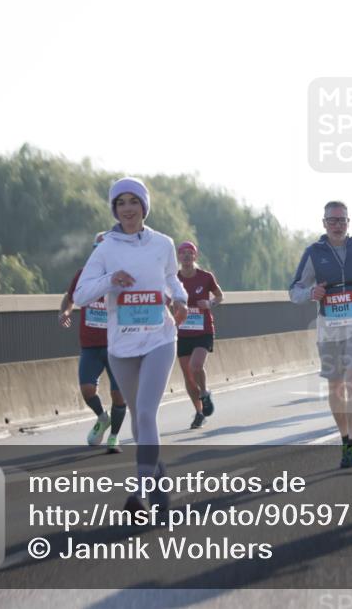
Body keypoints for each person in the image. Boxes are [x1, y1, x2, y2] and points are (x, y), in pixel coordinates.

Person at [74, 177, 189, 516]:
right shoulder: (106, 248)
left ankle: (139, 495)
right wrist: (111, 279)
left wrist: (179, 299)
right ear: (114, 208)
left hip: (159, 338)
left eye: (133, 202)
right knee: (140, 425)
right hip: (121, 345)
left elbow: (171, 278)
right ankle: (157, 478)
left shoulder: (163, 244)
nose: (127, 208)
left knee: (144, 413)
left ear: (144, 207)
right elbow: (81, 294)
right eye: (121, 202)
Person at [289, 201, 352, 469]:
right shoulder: (313, 253)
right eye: (333, 221)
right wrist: (310, 293)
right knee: (335, 386)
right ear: (324, 223)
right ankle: (345, 439)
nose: (338, 225)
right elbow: (294, 290)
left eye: (342, 220)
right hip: (328, 328)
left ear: (348, 222)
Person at [59, 231, 127, 453]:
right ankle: (102, 417)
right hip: (90, 344)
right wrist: (65, 312)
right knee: (87, 390)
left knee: (119, 395)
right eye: (96, 250)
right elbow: (69, 298)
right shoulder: (82, 275)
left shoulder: (120, 277)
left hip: (115, 345)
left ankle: (114, 437)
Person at [176, 241, 223, 429]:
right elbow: (166, 298)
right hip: (182, 332)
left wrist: (210, 304)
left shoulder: (205, 277)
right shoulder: (174, 278)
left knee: (196, 366)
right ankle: (199, 412)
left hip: (203, 330)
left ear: (195, 257)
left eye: (190, 253)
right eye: (183, 254)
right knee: (188, 376)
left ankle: (204, 392)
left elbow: (220, 296)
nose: (186, 257)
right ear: (178, 257)